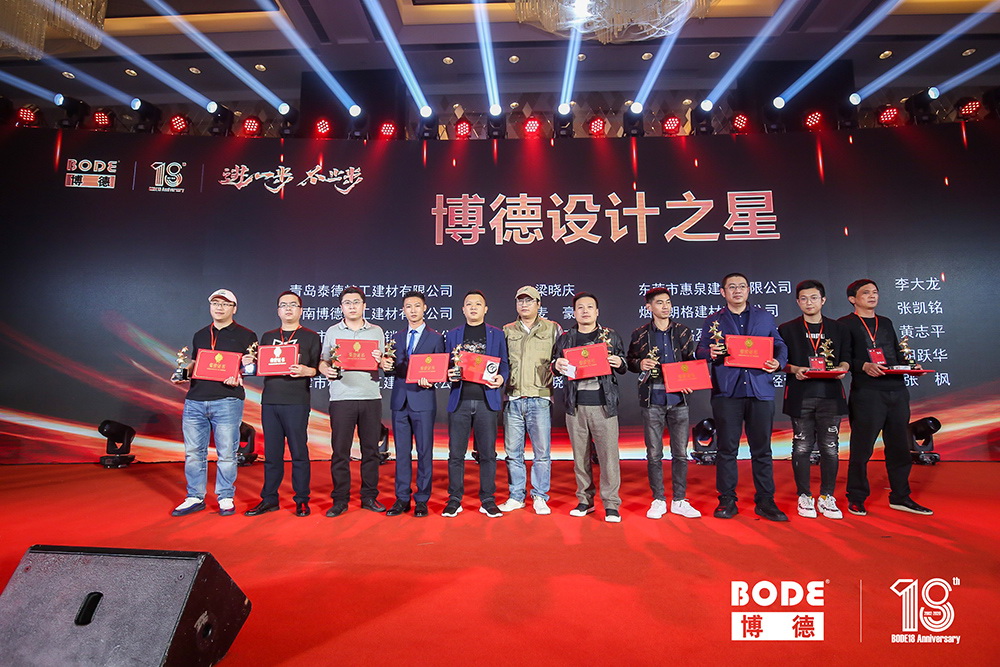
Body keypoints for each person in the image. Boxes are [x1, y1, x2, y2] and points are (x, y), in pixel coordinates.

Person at [696, 273, 789, 522]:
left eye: (742, 286)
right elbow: (700, 350)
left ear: (748, 290)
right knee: (727, 448)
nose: (737, 290)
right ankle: (727, 498)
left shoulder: (764, 317)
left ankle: (766, 500)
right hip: (727, 391)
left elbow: (779, 344)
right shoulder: (713, 320)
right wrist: (709, 352)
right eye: (732, 287)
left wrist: (778, 362)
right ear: (722, 292)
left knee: (762, 449)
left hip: (759, 389)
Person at [839, 279, 932, 516]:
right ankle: (856, 497)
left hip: (897, 391)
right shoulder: (845, 324)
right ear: (852, 299)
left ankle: (900, 496)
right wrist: (863, 366)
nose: (872, 296)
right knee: (861, 449)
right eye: (866, 293)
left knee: (900, 447)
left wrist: (911, 366)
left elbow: (897, 353)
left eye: (875, 292)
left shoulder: (886, 322)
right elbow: (843, 358)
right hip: (868, 393)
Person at [171, 289, 257, 517]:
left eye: (225, 304)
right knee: (193, 453)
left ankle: (225, 496)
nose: (219, 307)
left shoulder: (246, 335)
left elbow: (250, 366)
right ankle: (194, 496)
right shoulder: (200, 334)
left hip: (227, 400)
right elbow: (195, 362)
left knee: (227, 453)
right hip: (195, 400)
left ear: (234, 309)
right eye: (215, 303)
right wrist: (183, 372)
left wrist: (240, 372)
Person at [626, 287, 701, 520]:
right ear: (649, 307)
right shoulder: (640, 334)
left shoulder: (683, 331)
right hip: (652, 399)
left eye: (668, 302)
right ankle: (658, 499)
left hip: (679, 399)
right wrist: (640, 364)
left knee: (681, 453)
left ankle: (679, 499)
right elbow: (630, 361)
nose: (666, 306)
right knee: (654, 453)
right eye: (660, 303)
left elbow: (691, 361)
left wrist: (690, 380)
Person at [777, 280, 849, 520]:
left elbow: (846, 358)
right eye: (804, 299)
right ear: (798, 302)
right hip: (801, 395)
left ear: (823, 300)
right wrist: (795, 369)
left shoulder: (838, 329)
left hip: (830, 395)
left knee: (830, 448)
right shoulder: (787, 329)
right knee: (802, 447)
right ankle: (804, 495)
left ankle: (827, 496)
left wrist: (842, 367)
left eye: (814, 298)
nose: (809, 302)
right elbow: (779, 362)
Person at [245, 291, 320, 518]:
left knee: (299, 453)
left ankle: (302, 500)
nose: (288, 308)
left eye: (293, 305)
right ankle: (269, 499)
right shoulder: (267, 336)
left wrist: (307, 371)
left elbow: (317, 369)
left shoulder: (311, 337)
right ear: (278, 310)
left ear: (301, 310)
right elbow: (260, 366)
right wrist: (249, 363)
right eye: (283, 305)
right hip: (270, 401)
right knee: (272, 454)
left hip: (296, 402)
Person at [553, 292, 627, 523]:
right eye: (580, 307)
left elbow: (624, 363)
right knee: (580, 458)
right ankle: (585, 500)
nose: (585, 311)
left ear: (597, 311)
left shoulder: (610, 336)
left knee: (608, 457)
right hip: (575, 406)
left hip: (604, 405)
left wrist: (620, 362)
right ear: (574, 312)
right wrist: (557, 364)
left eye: (589, 307)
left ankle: (611, 504)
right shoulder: (566, 338)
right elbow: (554, 365)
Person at [318, 287, 386, 517]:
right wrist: (326, 370)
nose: (352, 306)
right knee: (340, 451)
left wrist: (381, 360)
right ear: (341, 307)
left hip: (370, 397)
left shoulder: (376, 331)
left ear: (364, 305)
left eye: (356, 302)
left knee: (371, 451)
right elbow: (323, 361)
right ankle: (340, 499)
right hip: (342, 397)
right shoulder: (332, 331)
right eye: (347, 303)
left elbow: (384, 362)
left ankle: (369, 497)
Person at [443, 290, 509, 518]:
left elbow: (504, 365)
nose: (473, 307)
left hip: (486, 401)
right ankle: (454, 499)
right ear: (463, 309)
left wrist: (501, 378)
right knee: (456, 454)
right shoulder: (453, 334)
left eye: (478, 304)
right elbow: (446, 365)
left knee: (488, 454)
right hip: (459, 400)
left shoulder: (497, 334)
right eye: (469, 304)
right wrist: (448, 374)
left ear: (485, 309)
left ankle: (488, 499)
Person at [380, 290, 444, 518]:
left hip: (423, 400)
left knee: (424, 451)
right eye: (408, 306)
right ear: (403, 310)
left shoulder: (436, 338)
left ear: (425, 308)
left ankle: (422, 499)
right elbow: (391, 371)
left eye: (417, 306)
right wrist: (386, 367)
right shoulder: (396, 338)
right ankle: (402, 498)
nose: (413, 310)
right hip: (400, 401)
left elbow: (440, 370)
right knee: (401, 452)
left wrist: (432, 379)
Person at [498, 286, 562, 515]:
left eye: (529, 301)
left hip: (540, 398)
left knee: (542, 453)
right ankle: (516, 496)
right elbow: (501, 363)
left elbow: (561, 359)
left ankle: (540, 496)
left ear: (538, 304)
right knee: (513, 453)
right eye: (520, 301)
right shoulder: (507, 330)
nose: (524, 305)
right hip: (513, 398)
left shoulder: (553, 328)